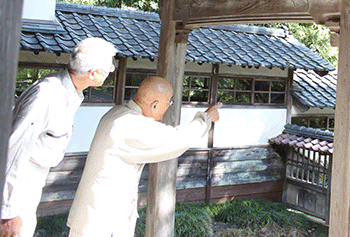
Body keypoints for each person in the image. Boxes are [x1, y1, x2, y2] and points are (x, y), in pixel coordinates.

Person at [67, 76, 220, 237]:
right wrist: (206, 118)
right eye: (169, 103)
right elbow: (177, 139)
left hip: (98, 215)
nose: (168, 108)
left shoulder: (118, 113)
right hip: (103, 221)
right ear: (155, 105)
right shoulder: (132, 125)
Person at [1, 37, 118, 237]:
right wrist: (8, 211)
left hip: (33, 178)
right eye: (109, 67)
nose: (111, 70)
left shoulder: (70, 92)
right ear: (93, 73)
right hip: (19, 181)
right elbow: (14, 150)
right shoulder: (47, 94)